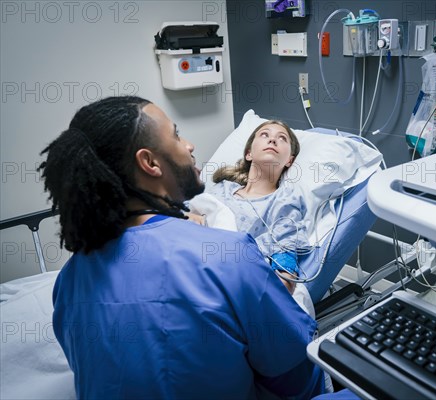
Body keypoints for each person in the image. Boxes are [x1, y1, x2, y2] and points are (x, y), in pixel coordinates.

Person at [39, 96, 326, 399]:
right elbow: (297, 377)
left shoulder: (69, 281)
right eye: (176, 135)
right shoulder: (229, 256)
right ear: (149, 163)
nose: (189, 145)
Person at [201, 120, 312, 294]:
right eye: (264, 134)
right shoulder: (222, 188)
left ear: (290, 161)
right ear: (249, 154)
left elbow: (285, 274)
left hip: (224, 282)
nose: (272, 140)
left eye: (282, 138)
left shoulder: (283, 202)